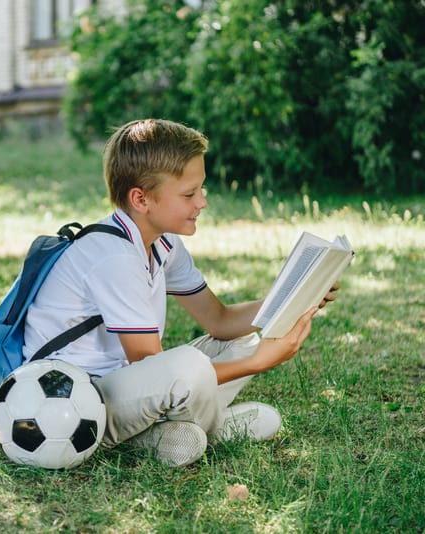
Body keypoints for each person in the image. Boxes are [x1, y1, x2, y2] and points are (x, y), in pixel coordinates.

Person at [21, 118, 339, 467]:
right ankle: (210, 428)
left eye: (200, 189)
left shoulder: (163, 242)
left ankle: (174, 434)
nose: (201, 202)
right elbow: (155, 369)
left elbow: (218, 321)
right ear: (141, 199)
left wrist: (291, 301)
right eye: (189, 194)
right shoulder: (114, 257)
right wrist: (258, 363)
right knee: (189, 364)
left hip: (123, 384)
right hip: (76, 403)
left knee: (242, 339)